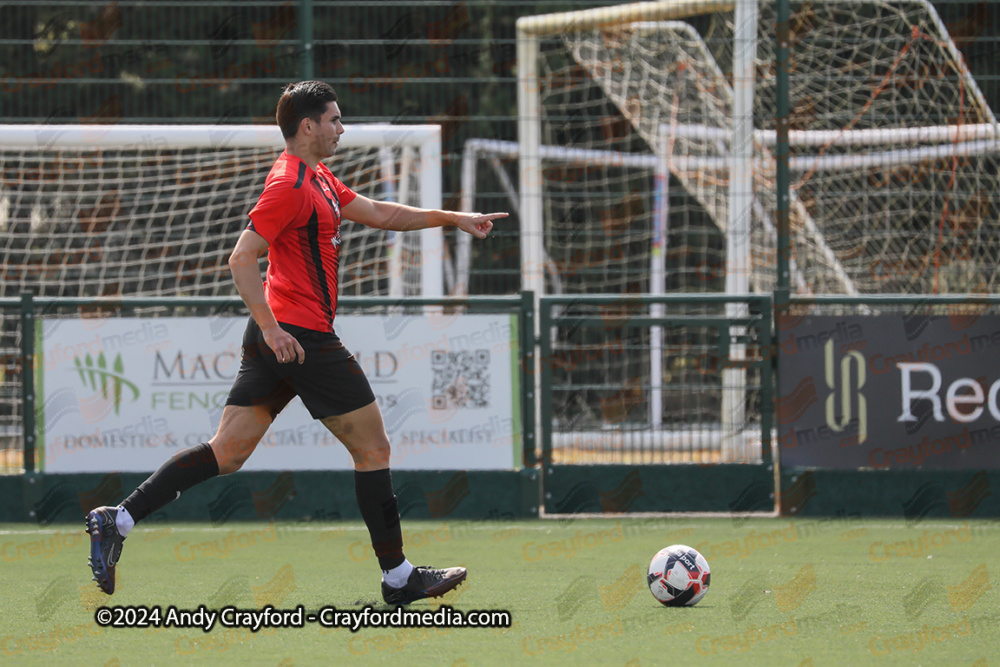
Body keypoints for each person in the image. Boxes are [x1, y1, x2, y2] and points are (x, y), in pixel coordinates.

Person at [86, 81, 507, 605]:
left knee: (228, 452)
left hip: (282, 338)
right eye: (334, 119)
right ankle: (398, 579)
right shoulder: (288, 184)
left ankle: (116, 519)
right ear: (307, 126)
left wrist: (454, 219)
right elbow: (241, 259)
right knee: (373, 449)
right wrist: (271, 328)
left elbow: (380, 214)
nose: (341, 128)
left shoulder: (320, 178)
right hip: (300, 337)